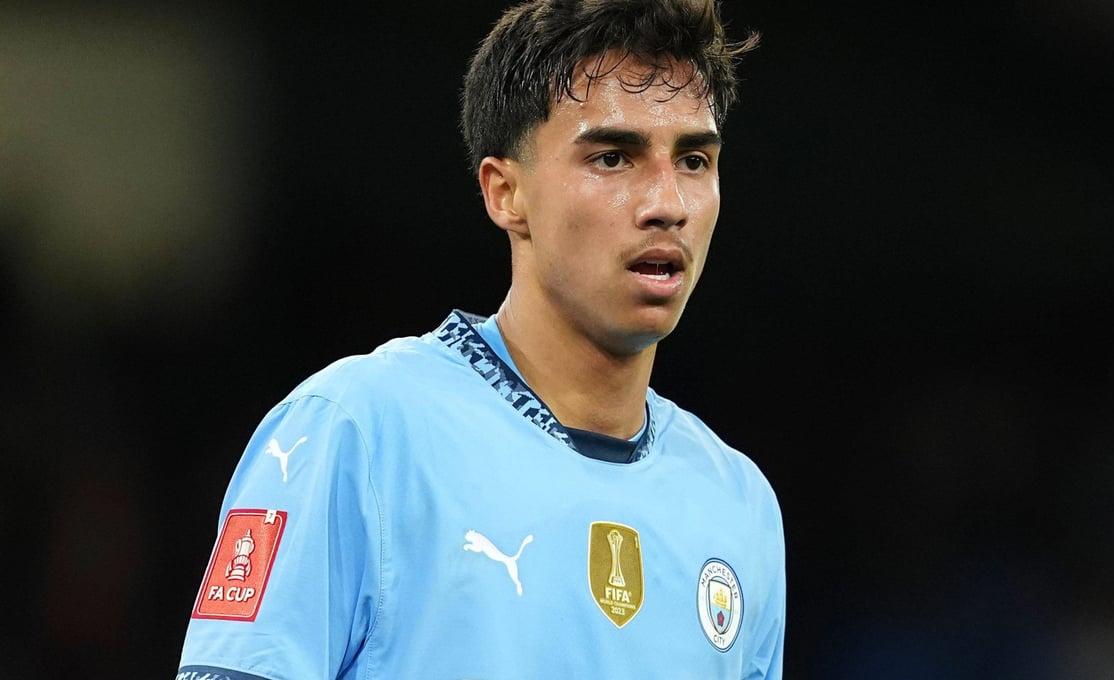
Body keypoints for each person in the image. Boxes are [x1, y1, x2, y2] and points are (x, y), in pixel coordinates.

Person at [176, 0, 785, 677]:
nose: (667, 204)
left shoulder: (739, 505)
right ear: (505, 193)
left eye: (694, 160)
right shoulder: (358, 431)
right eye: (613, 158)